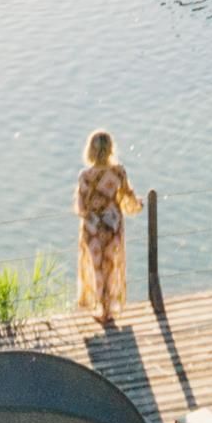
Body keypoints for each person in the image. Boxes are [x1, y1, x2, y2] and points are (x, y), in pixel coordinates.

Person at [75, 129, 141, 329]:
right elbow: (128, 198)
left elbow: (81, 207)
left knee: (96, 267)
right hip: (113, 226)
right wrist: (138, 205)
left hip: (93, 228)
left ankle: (100, 309)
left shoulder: (86, 176)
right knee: (110, 266)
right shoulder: (119, 172)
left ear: (91, 151)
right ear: (111, 149)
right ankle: (109, 309)